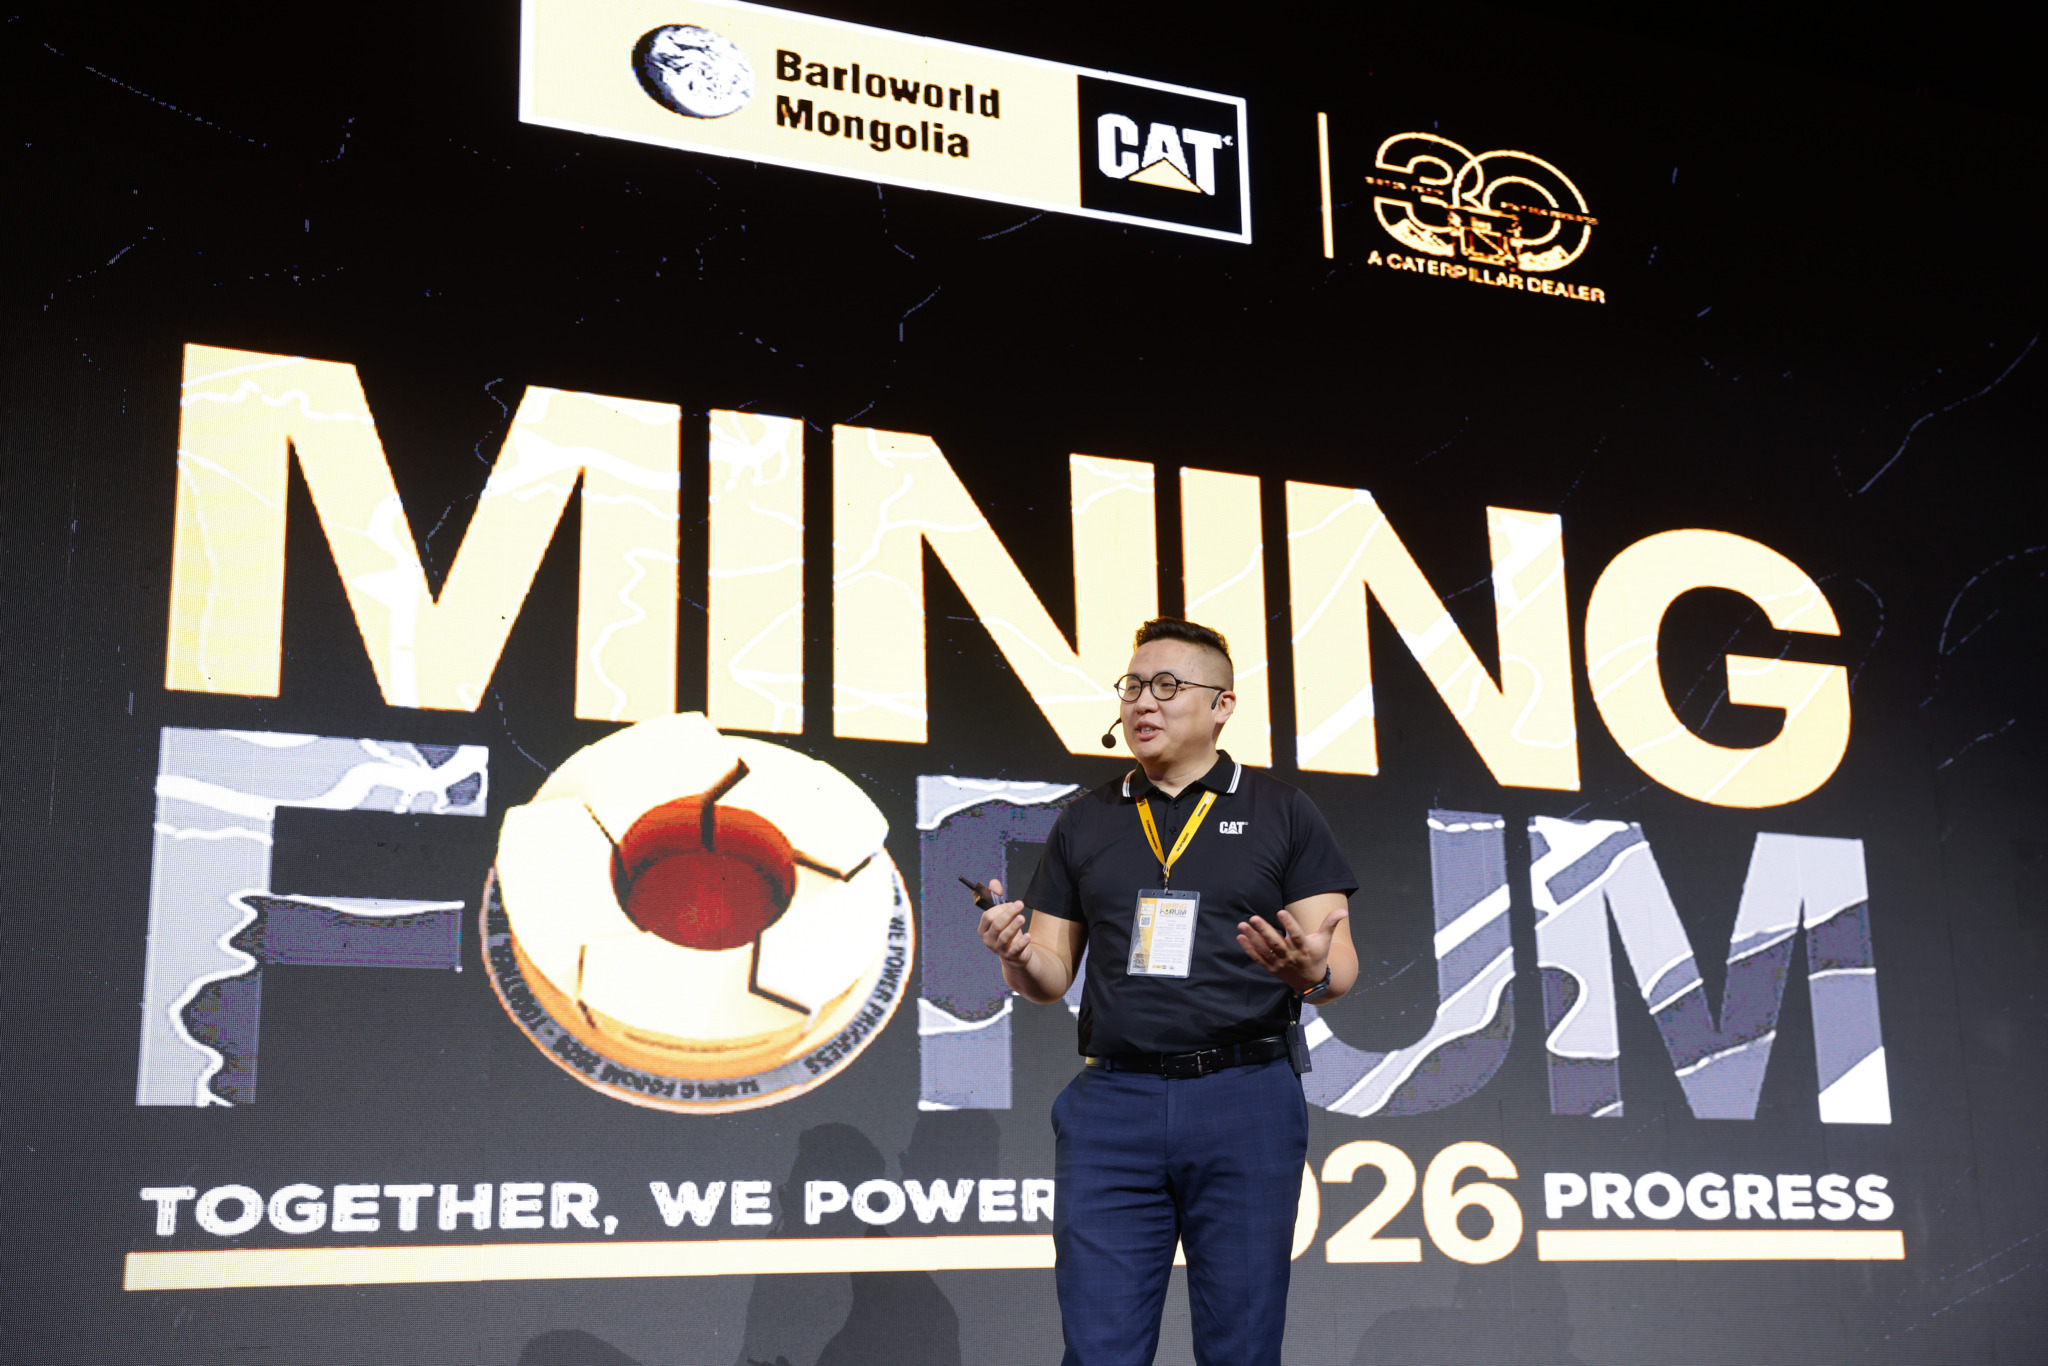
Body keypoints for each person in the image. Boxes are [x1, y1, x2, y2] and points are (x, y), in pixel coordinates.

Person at [976, 617, 1359, 1366]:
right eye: (1132, 686)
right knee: (1100, 1350)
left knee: (1241, 1347)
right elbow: (1049, 978)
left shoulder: (1282, 811)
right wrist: (1015, 956)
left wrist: (1307, 971)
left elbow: (1337, 966)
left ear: (1222, 706)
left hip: (1244, 1097)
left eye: (1167, 686)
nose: (1142, 702)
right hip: (1113, 1105)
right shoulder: (1087, 819)